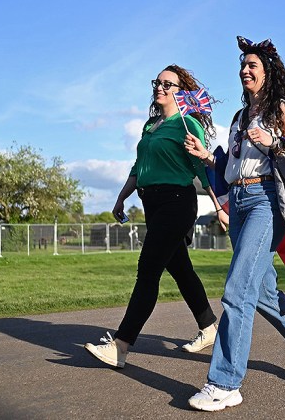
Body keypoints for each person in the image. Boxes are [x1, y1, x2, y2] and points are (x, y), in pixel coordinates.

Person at [183, 36, 285, 412]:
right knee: (261, 290)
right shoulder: (238, 118)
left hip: (267, 201)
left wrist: (272, 142)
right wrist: (207, 158)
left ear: (268, 72)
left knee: (237, 289)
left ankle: (224, 383)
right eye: (242, 66)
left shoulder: (283, 111)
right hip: (241, 203)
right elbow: (233, 169)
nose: (245, 70)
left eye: (252, 66)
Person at [84, 65, 227, 368]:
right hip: (152, 204)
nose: (160, 87)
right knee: (181, 270)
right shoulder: (151, 126)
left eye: (168, 84)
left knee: (148, 270)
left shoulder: (187, 125)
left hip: (177, 202)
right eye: (157, 82)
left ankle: (121, 346)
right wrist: (122, 196)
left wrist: (219, 207)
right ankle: (209, 327)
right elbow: (139, 167)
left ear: (181, 92)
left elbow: (202, 168)